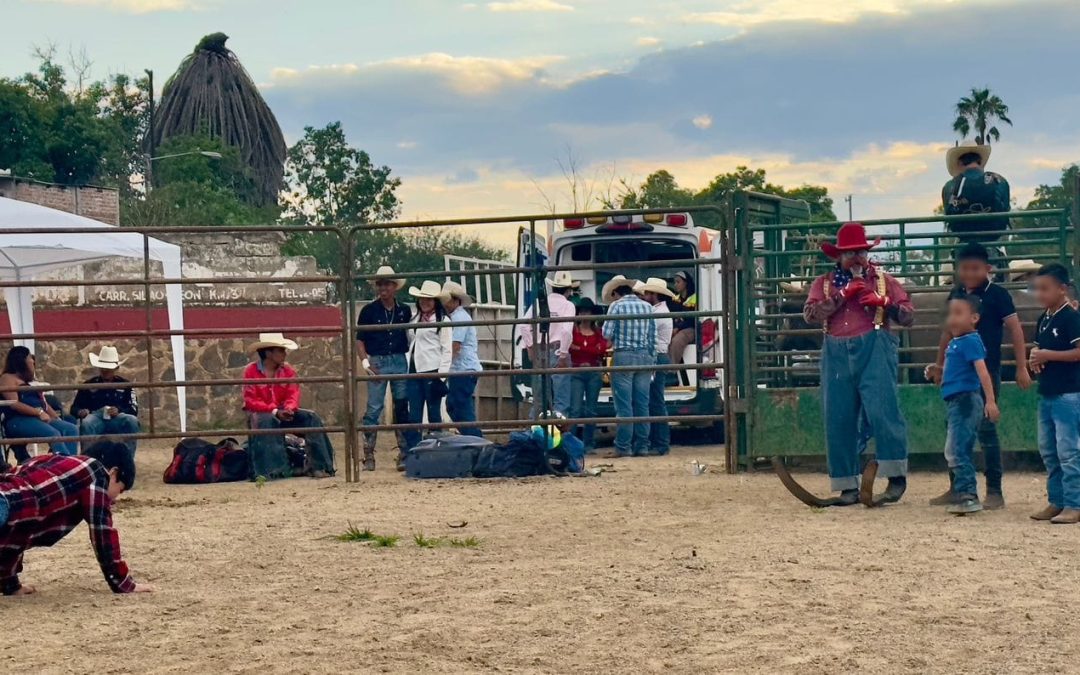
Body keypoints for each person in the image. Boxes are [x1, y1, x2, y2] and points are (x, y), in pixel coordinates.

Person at [802, 223, 915, 506]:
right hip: (836, 350)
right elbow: (810, 315)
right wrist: (842, 296)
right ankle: (846, 484)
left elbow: (908, 316)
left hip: (875, 346)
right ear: (838, 257)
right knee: (837, 416)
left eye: (860, 252)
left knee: (883, 409)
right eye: (849, 252)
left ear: (867, 253)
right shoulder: (824, 283)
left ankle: (895, 476)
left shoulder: (884, 280)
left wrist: (884, 302)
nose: (856, 257)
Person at [926, 243, 1030, 509]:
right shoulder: (957, 294)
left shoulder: (997, 295)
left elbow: (1015, 330)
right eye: (965, 269)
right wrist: (940, 366)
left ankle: (994, 489)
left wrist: (1021, 366)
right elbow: (946, 333)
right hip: (957, 375)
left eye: (975, 269)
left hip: (986, 370)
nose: (970, 274)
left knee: (986, 429)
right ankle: (957, 487)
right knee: (954, 429)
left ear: (988, 269)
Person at [0, 440, 150, 596]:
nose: (114, 500)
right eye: (120, 490)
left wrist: (10, 585)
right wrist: (123, 583)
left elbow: (15, 540)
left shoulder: (54, 461)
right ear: (113, 473)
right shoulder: (96, 472)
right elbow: (102, 532)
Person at [934, 296, 1001, 514]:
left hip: (965, 401)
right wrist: (936, 372)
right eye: (950, 313)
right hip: (957, 401)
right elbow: (958, 371)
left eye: (958, 313)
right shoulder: (957, 342)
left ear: (974, 318)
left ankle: (968, 495)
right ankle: (963, 493)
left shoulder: (970, 341)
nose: (952, 318)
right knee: (955, 449)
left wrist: (990, 401)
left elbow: (982, 371)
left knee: (957, 449)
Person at [242, 333, 336, 479]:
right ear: (268, 352)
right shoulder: (251, 371)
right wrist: (274, 410)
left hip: (282, 411)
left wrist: (289, 409)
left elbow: (293, 393)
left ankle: (321, 466)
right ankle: (271, 470)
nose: (284, 354)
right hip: (262, 412)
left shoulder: (288, 370)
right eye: (281, 350)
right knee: (267, 420)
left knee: (311, 418)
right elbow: (251, 401)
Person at [1028, 264, 1080, 524]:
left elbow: (1078, 352)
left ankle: (1074, 503)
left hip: (1068, 394)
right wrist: (1035, 358)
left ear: (1062, 289)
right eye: (1037, 288)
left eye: (1045, 288)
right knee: (1049, 450)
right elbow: (1038, 347)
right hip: (1047, 393)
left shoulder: (1070, 317)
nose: (1040, 294)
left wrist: (1047, 355)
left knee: (1068, 451)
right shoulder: (1044, 318)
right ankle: (1056, 500)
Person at [357, 266, 412, 471]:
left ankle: (404, 452)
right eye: (380, 284)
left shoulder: (404, 310)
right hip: (378, 361)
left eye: (386, 283)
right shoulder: (369, 311)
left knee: (401, 405)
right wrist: (365, 362)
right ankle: (368, 455)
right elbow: (359, 340)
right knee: (374, 408)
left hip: (398, 359)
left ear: (394, 287)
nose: (383, 288)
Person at [601, 275, 656, 458]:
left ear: (616, 292)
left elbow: (606, 334)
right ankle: (643, 446)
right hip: (644, 356)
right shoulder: (647, 306)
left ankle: (624, 447)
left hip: (624, 355)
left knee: (624, 404)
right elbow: (651, 338)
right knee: (642, 403)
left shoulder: (616, 306)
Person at [0, 347, 79, 460]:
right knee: (53, 434)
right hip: (18, 420)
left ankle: (70, 463)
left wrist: (55, 417)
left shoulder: (28, 382)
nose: (33, 361)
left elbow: (43, 402)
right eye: (29, 357)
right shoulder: (7, 378)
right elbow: (14, 403)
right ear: (21, 360)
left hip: (37, 418)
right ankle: (65, 465)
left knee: (71, 429)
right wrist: (38, 412)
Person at [516, 270, 576, 417]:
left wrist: (530, 347)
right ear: (568, 290)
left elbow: (524, 325)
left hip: (540, 350)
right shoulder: (568, 306)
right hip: (557, 350)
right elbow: (566, 331)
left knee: (539, 399)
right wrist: (563, 354)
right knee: (561, 400)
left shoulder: (539, 303)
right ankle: (559, 434)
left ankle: (533, 433)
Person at [405, 280, 453, 456]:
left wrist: (441, 376)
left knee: (434, 412)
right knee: (414, 413)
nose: (424, 302)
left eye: (429, 300)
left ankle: (436, 451)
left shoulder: (443, 321)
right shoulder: (415, 318)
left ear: (436, 302)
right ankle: (414, 451)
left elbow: (447, 350)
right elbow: (412, 340)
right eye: (422, 299)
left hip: (433, 370)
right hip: (415, 369)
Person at [70, 345, 141, 459]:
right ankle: (87, 459)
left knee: (132, 420)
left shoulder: (126, 385)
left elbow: (134, 409)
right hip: (95, 418)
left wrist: (119, 410)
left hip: (118, 418)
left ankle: (128, 459)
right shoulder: (88, 385)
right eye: (103, 368)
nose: (105, 371)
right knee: (87, 423)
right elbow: (74, 408)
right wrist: (81, 412)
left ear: (115, 369)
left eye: (108, 369)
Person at [942, 144, 1010, 245]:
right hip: (993, 239)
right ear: (980, 162)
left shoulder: (950, 186)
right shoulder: (999, 181)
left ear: (960, 163)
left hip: (964, 242)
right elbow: (1006, 211)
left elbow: (949, 217)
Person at [637, 278, 675, 456]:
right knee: (655, 400)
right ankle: (659, 442)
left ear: (654, 294)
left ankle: (660, 443)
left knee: (656, 401)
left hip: (657, 357)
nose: (644, 296)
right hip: (660, 356)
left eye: (647, 293)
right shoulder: (660, 311)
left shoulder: (657, 314)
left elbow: (646, 334)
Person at [442, 281, 483, 438]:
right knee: (456, 405)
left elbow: (455, 346)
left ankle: (475, 439)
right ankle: (472, 438)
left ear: (454, 300)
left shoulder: (459, 318)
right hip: (462, 369)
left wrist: (443, 369)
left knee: (459, 406)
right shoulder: (458, 316)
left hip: (463, 370)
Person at [568, 299, 607, 454]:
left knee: (591, 410)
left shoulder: (596, 332)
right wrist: (591, 350)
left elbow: (601, 349)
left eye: (587, 312)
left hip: (589, 372)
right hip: (582, 371)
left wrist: (579, 349)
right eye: (582, 312)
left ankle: (588, 443)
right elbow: (599, 349)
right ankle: (573, 443)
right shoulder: (592, 333)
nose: (584, 315)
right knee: (575, 410)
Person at [668, 270, 697, 366]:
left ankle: (671, 369)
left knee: (677, 341)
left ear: (686, 283)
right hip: (676, 328)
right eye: (674, 282)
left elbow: (693, 319)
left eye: (678, 282)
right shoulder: (674, 299)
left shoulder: (695, 298)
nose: (675, 285)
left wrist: (678, 328)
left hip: (690, 328)